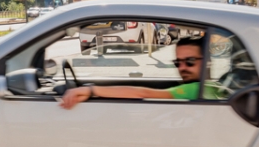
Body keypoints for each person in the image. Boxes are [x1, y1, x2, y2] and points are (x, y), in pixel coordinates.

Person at [60, 37, 222, 109]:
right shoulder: (214, 87)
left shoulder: (194, 89)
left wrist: (90, 90)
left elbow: (141, 93)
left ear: (208, 61)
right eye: (178, 62)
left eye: (190, 61)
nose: (182, 68)